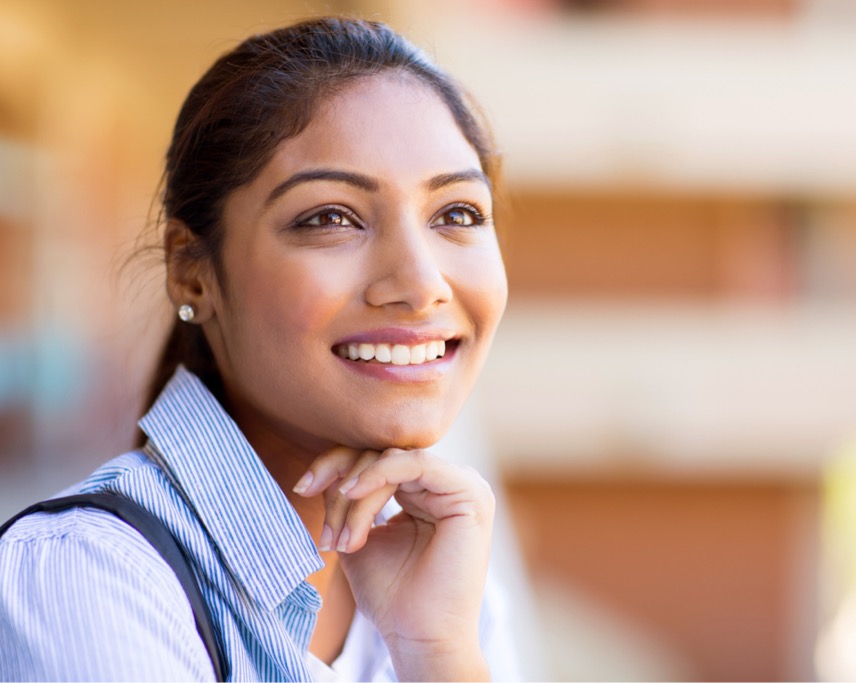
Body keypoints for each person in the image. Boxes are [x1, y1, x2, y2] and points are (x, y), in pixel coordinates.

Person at [0, 16, 517, 681]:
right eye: (330, 217)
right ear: (193, 271)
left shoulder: (449, 580)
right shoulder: (86, 579)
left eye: (457, 213)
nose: (420, 285)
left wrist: (437, 652)